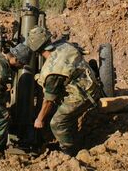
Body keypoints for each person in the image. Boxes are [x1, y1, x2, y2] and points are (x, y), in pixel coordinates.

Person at [30, 26, 101, 156]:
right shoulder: (64, 45)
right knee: (65, 115)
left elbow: (48, 101)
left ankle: (69, 153)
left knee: (57, 123)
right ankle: (74, 139)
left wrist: (39, 119)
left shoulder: (52, 72)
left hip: (85, 95)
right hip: (89, 84)